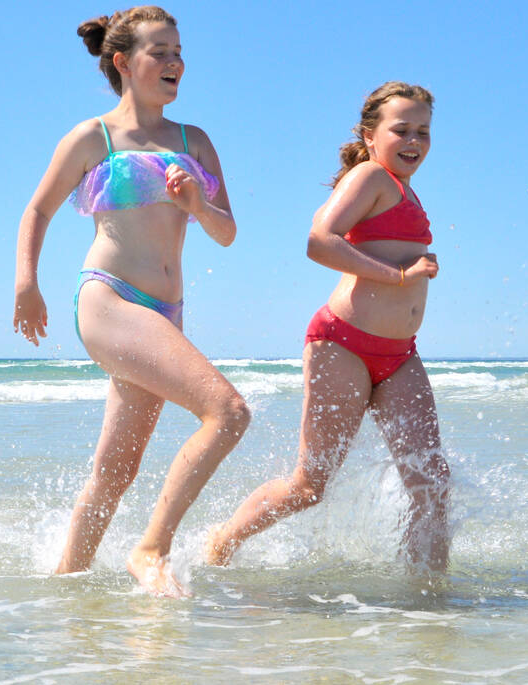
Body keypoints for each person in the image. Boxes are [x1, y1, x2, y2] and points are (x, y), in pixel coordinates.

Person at [12, 6, 247, 598]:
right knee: (228, 412)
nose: (175, 63)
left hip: (165, 311)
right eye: (159, 52)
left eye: (178, 52)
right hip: (111, 299)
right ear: (123, 62)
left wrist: (198, 204)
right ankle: (151, 549)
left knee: (114, 473)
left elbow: (227, 232)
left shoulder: (194, 141)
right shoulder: (93, 136)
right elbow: (37, 209)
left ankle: (65, 586)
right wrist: (27, 284)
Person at [204, 82, 451, 575]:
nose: (414, 140)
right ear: (369, 134)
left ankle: (429, 601)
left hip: (400, 353)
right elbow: (319, 241)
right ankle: (220, 546)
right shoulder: (370, 176)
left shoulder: (403, 188)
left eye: (423, 131)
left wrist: (412, 265)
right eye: (401, 129)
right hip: (345, 345)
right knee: (310, 485)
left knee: (431, 482)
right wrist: (400, 275)